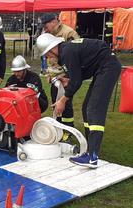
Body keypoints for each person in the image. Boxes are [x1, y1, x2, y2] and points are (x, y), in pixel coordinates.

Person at [36, 33, 121, 169]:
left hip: (108, 67)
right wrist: (66, 79)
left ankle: (92, 157)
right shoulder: (66, 51)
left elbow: (76, 82)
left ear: (52, 49)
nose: (47, 57)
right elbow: (79, 74)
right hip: (102, 68)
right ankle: (90, 150)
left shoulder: (67, 53)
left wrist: (63, 100)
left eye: (47, 54)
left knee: (94, 109)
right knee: (86, 107)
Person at [41, 13, 80, 140]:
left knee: (66, 103)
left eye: (46, 26)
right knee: (55, 102)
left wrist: (67, 77)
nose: (45, 30)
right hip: (54, 76)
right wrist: (49, 73)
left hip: (66, 75)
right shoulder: (48, 34)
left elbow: (75, 56)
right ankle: (58, 127)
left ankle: (68, 130)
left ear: (54, 22)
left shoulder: (69, 33)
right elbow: (47, 56)